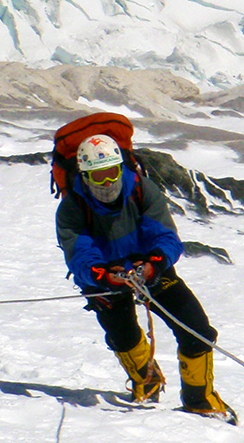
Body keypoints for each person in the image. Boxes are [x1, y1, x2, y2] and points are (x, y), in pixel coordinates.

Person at [55, 133, 234, 422]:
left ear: (120, 168)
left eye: (111, 173)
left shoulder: (141, 190)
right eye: (97, 176)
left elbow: (166, 236)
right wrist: (102, 274)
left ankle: (200, 401)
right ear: (84, 176)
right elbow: (79, 253)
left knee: (196, 329)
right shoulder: (72, 207)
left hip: (148, 269)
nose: (106, 183)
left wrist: (155, 263)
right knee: (123, 337)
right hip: (104, 279)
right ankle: (147, 381)